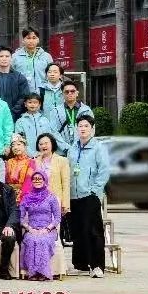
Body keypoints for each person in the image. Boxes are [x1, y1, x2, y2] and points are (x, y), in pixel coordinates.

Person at [65, 116, 109, 278]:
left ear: (92, 129)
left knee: (93, 231)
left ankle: (97, 266)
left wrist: (95, 190)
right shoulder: (72, 148)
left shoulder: (98, 148)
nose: (83, 129)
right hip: (73, 196)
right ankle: (81, 264)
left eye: (86, 126)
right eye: (80, 126)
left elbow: (104, 171)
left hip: (90, 195)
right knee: (77, 231)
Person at [19, 172, 62, 281]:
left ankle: (42, 273)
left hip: (48, 230)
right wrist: (29, 228)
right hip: (31, 229)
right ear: (31, 181)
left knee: (42, 240)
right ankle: (33, 273)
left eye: (40, 178)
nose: (37, 180)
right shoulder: (27, 197)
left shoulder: (51, 197)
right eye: (34, 179)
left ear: (45, 180)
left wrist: (47, 229)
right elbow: (20, 217)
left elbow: (57, 218)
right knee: (31, 240)